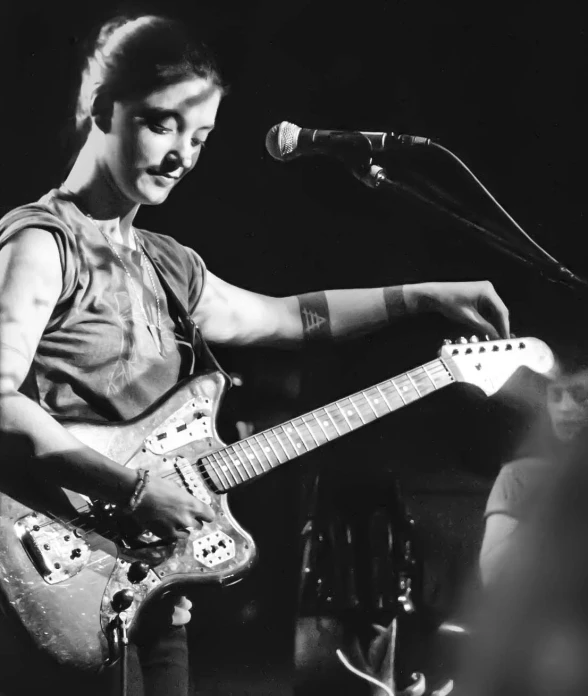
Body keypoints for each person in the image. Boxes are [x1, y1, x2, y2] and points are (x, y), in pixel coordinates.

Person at [0, 13, 511, 696]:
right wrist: (131, 488)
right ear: (102, 108)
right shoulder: (42, 243)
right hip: (54, 570)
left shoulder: (165, 263)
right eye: (163, 124)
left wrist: (424, 295)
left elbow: (289, 317)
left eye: (201, 136)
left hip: (146, 589)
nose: (183, 153)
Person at [479, 367, 588, 587]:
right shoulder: (519, 476)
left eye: (580, 395)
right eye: (556, 396)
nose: (565, 408)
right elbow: (493, 576)